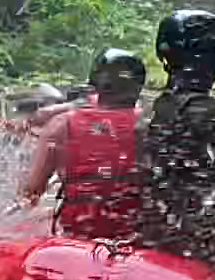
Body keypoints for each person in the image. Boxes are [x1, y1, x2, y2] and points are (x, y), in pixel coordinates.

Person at [135, 9, 215, 279]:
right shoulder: (210, 111)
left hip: (150, 223)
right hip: (191, 230)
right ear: (209, 61)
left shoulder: (151, 108)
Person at [18, 49, 146, 238]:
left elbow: (31, 193)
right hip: (132, 238)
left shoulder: (59, 126)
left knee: (40, 216)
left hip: (78, 235)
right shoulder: (150, 125)